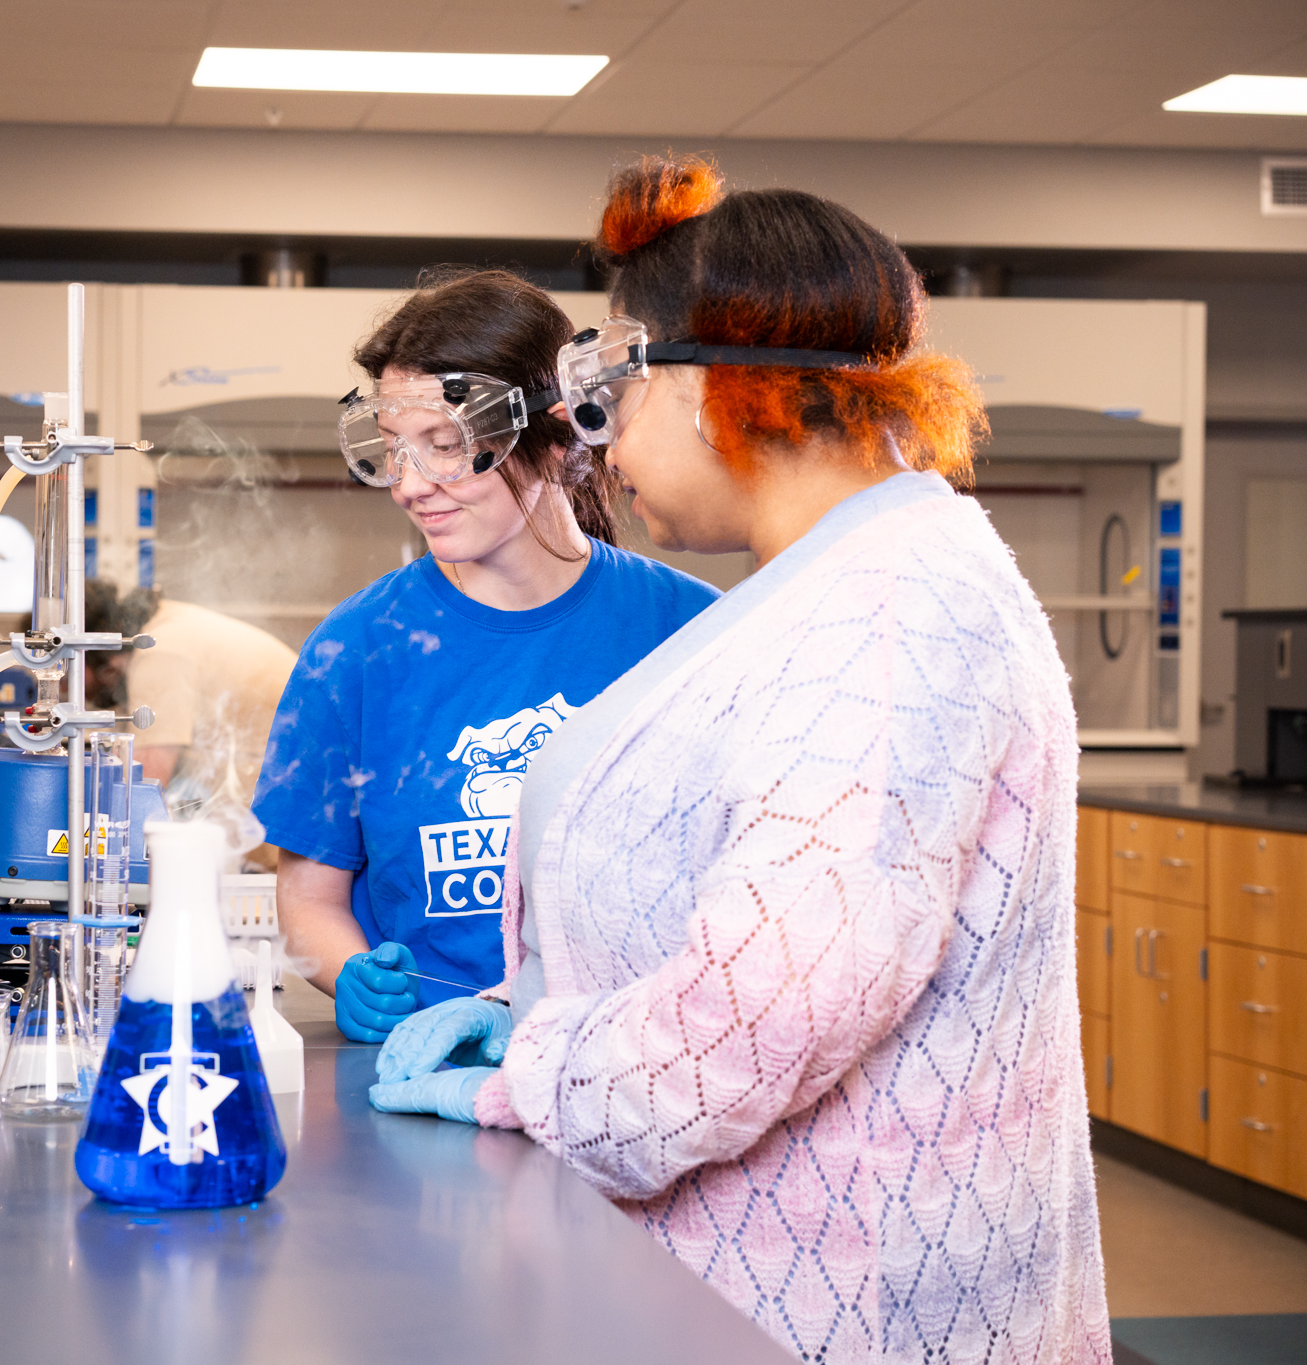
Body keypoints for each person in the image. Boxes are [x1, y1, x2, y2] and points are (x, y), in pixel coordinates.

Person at [368, 158, 1110, 1363]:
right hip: (761, 1284)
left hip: (848, 1311)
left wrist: (532, 1076)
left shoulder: (885, 616)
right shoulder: (828, 586)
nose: (594, 446)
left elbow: (757, 1019)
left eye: (610, 387)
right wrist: (527, 1012)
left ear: (724, 387)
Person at [251, 270, 719, 1043]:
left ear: (558, 433)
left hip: (640, 1067)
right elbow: (310, 902)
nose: (410, 486)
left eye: (446, 446)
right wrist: (354, 975)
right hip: (435, 1071)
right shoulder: (356, 651)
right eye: (394, 452)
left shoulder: (688, 631)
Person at [84, 579, 297, 863]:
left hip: (285, 821)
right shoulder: (166, 624)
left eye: (66, 676)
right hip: (278, 810)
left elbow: (143, 789)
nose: (66, 690)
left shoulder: (159, 652)